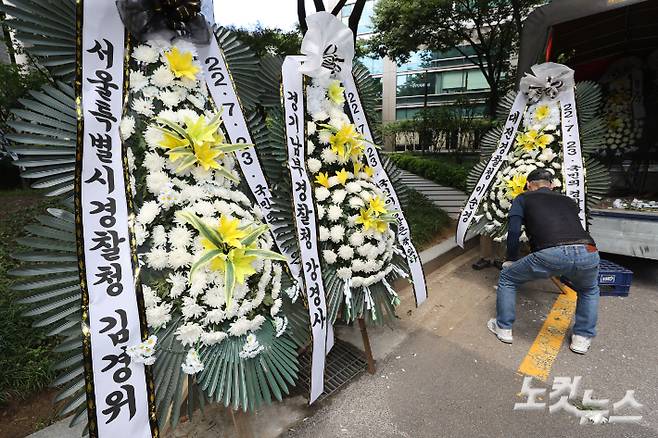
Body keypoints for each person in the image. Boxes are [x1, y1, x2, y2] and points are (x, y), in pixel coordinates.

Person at [487, 168, 600, 354]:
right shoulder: (568, 201)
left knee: (508, 277)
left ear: (529, 185)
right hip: (588, 250)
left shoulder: (523, 198)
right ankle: (581, 338)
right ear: (551, 185)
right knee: (589, 289)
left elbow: (514, 231)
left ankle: (504, 328)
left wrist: (511, 259)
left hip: (550, 253)